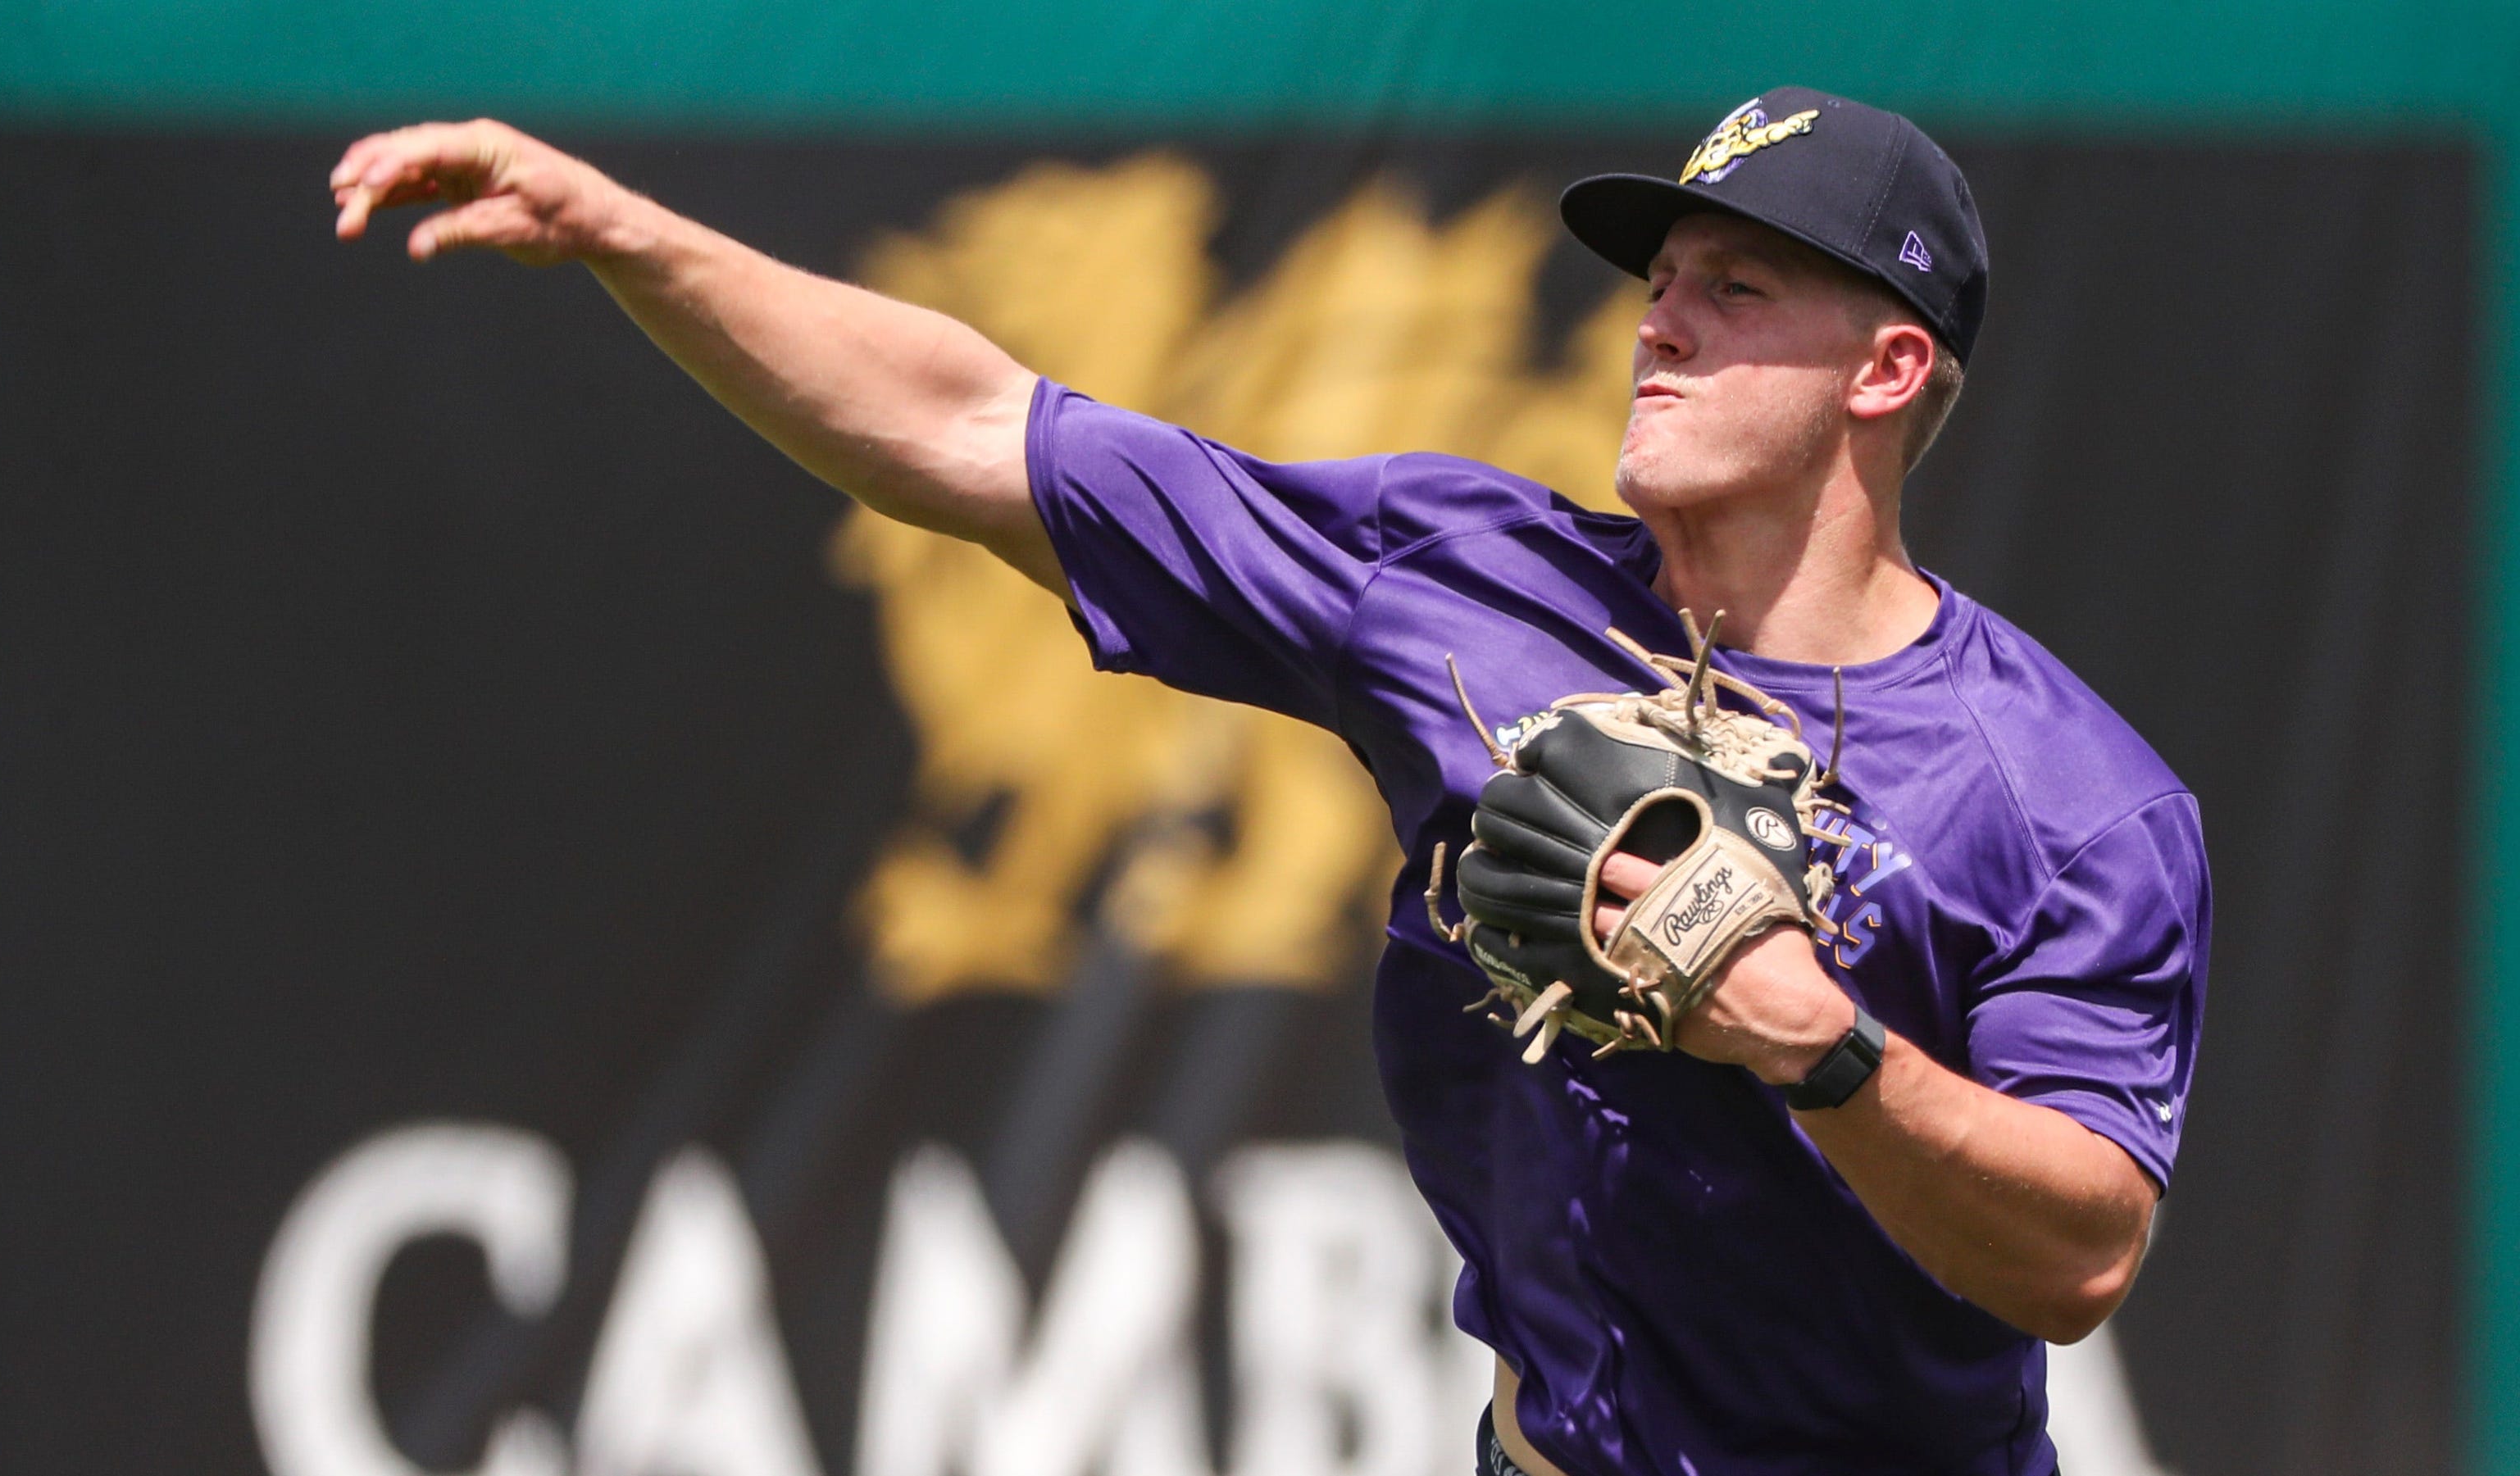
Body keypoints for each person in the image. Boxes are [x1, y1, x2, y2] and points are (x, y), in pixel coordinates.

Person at [330, 86, 2208, 1476]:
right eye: (1660, 279)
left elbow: (2080, 1248)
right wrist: (634, 241)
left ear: (1887, 366)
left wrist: (1817, 1041)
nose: (1660, 317)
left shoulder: (2064, 796)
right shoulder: (1461, 572)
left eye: (1733, 287)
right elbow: (974, 429)